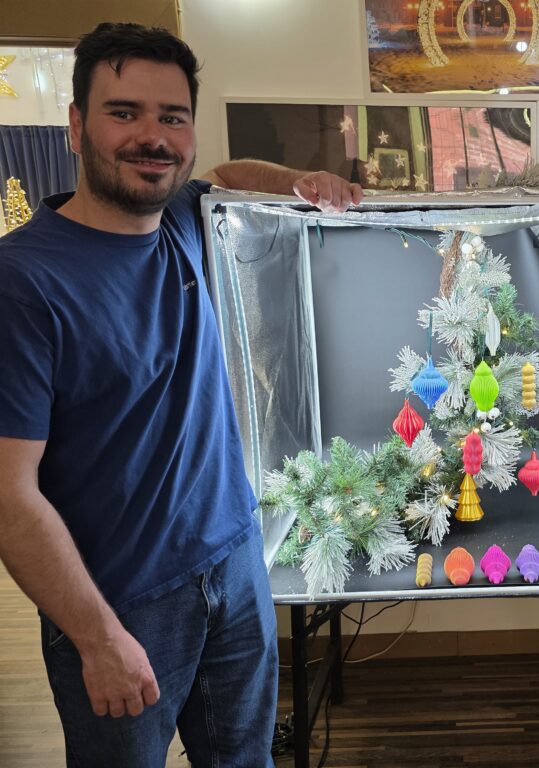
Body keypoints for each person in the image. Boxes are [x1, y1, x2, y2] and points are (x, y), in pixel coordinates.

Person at [0, 22, 362, 767]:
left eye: (172, 117)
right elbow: (9, 495)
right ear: (76, 125)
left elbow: (231, 175)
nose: (152, 137)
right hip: (119, 604)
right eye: (123, 112)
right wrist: (98, 639)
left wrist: (301, 182)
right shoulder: (23, 280)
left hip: (233, 568)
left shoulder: (184, 221)